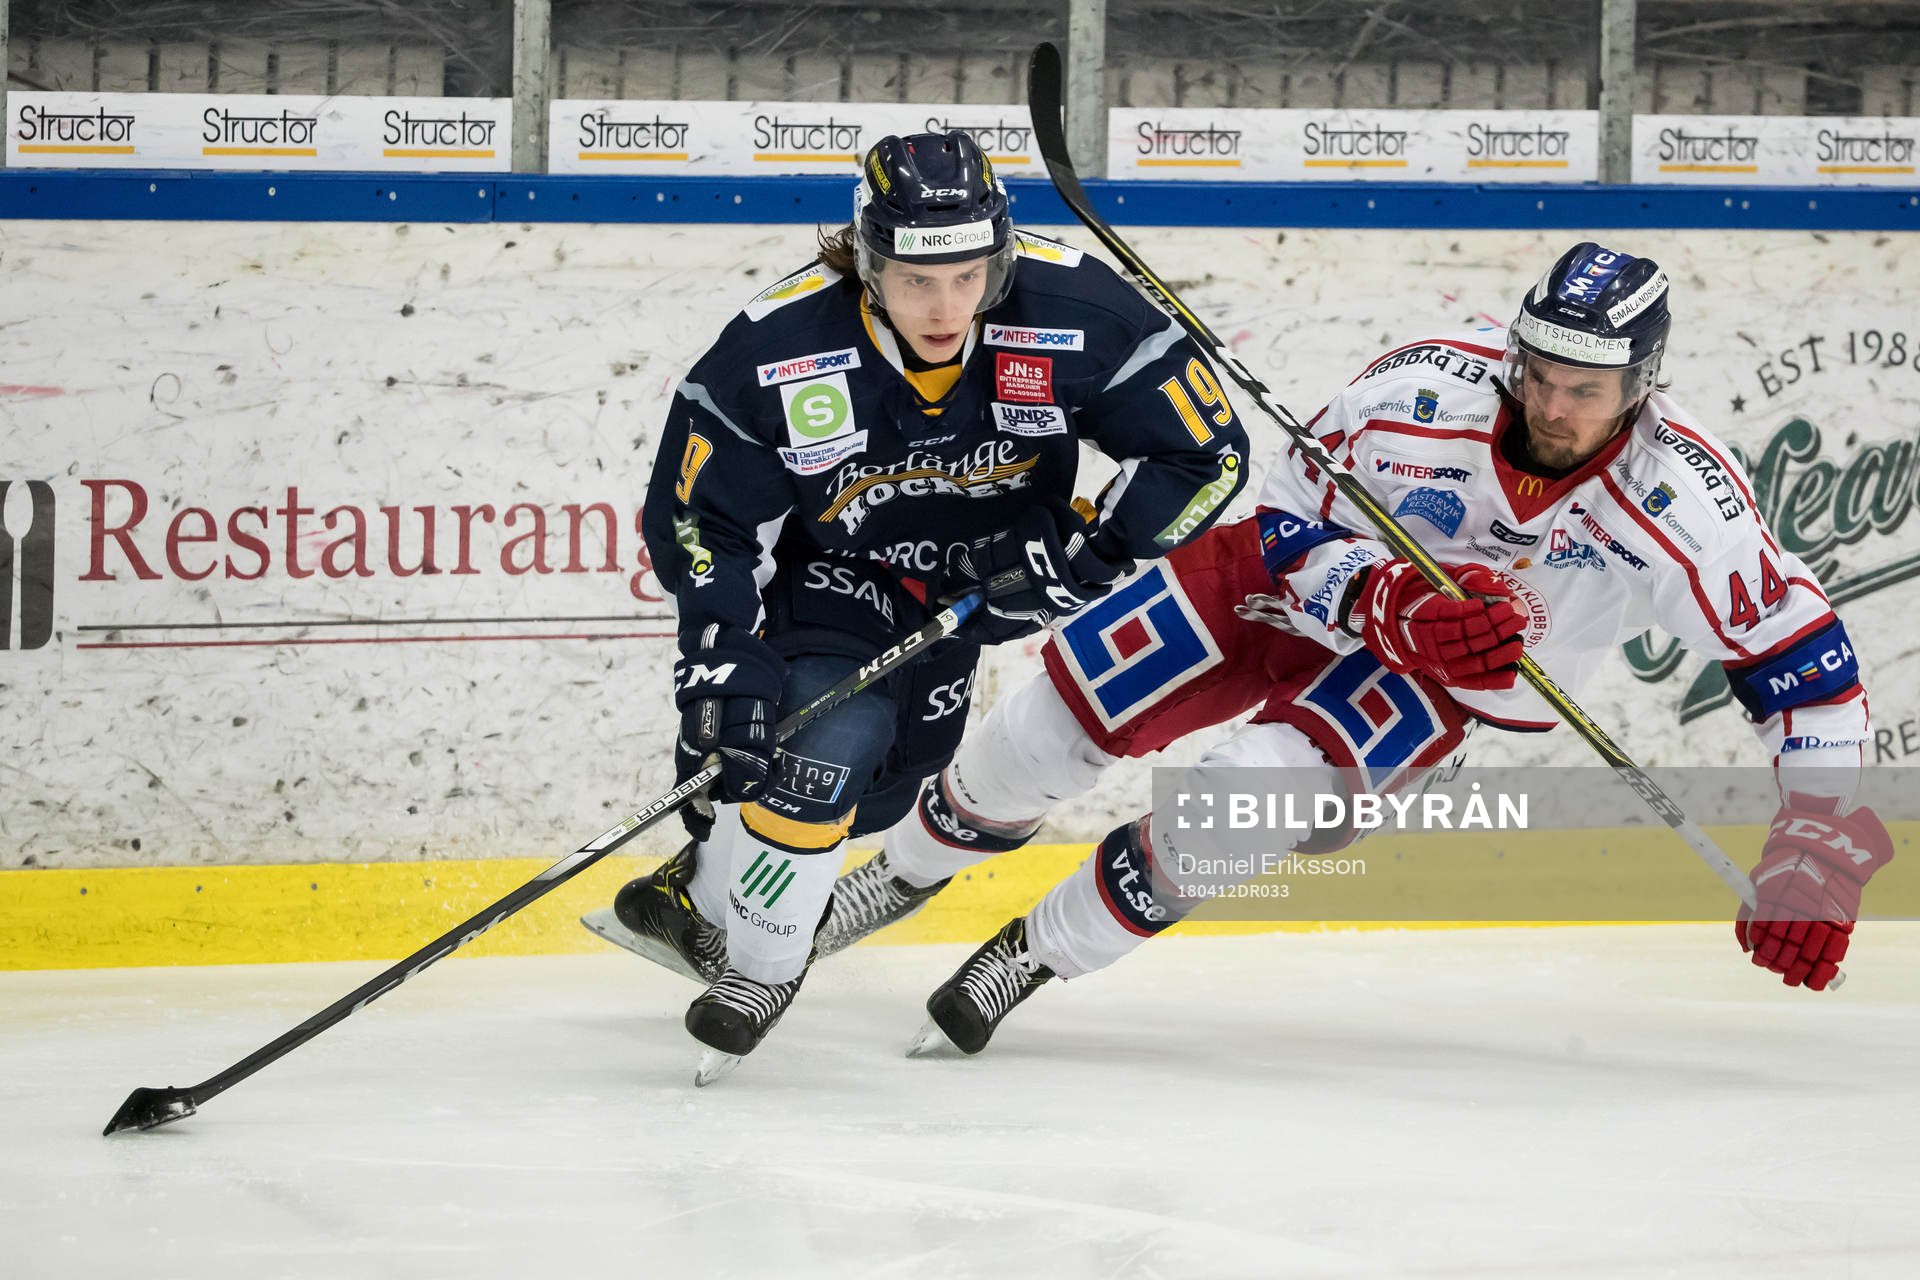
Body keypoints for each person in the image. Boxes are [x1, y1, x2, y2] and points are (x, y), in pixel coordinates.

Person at [813, 241, 1888, 1054]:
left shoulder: (1684, 499)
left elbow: (1808, 672)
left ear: (1642, 383)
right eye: (1539, 372)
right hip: (1300, 588)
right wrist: (1379, 596)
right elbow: (1283, 517)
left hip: (1447, 685)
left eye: (1585, 390)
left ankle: (1032, 951)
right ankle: (898, 872)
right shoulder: (1419, 388)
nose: (1551, 405)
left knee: (1236, 803)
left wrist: (1815, 838)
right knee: (1042, 728)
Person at [594, 129, 1250, 1070]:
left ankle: (696, 882)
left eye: (968, 277)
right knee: (826, 746)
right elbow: (699, 514)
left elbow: (1209, 453)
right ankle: (762, 969)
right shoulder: (778, 348)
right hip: (838, 577)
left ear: (1001, 253)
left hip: (976, 592)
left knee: (886, 791)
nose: (944, 307)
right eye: (914, 281)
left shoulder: (1078, 313)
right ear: (868, 262)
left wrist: (1091, 556)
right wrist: (721, 645)